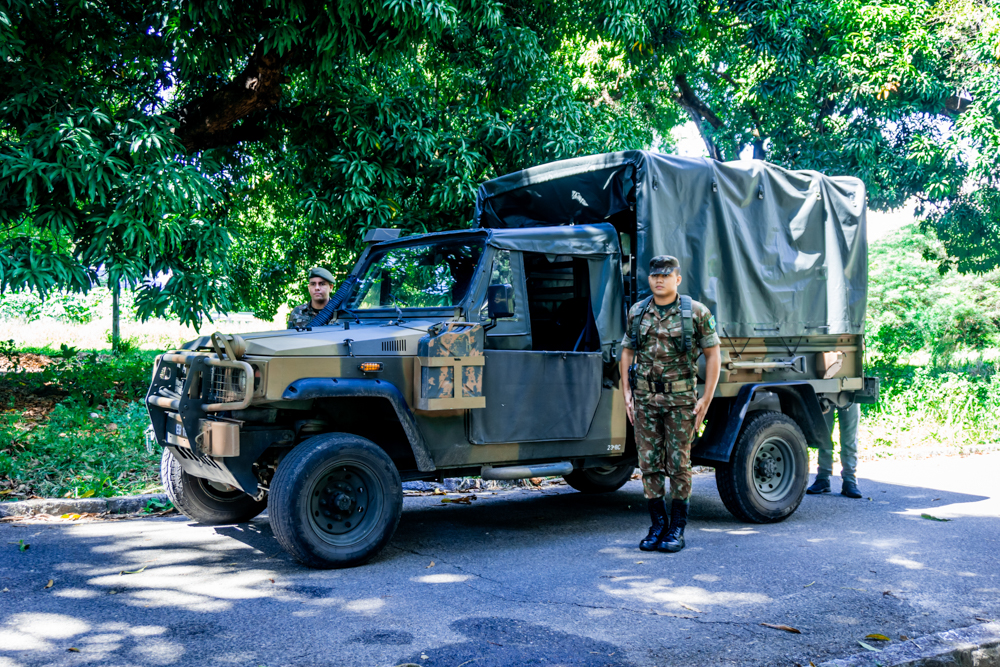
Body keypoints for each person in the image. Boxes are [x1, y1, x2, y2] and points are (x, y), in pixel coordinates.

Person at [620, 256, 721, 553]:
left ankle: (677, 528)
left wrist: (707, 397)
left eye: (666, 275)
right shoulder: (638, 312)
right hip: (646, 401)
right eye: (655, 276)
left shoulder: (696, 313)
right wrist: (627, 393)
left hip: (680, 401)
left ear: (677, 279)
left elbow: (713, 355)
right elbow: (627, 351)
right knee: (649, 464)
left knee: (679, 464)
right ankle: (657, 526)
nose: (659, 280)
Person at [807, 403, 862, 498]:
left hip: (851, 392)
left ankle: (849, 480)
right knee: (823, 436)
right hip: (826, 392)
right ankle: (823, 477)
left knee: (849, 438)